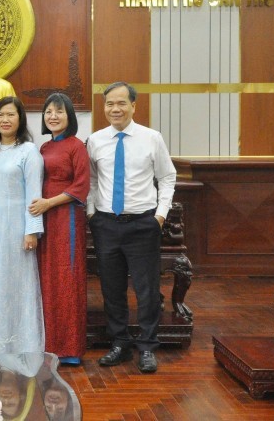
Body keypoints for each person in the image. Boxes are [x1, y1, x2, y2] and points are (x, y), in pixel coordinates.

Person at [86, 82, 176, 373]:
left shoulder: (152, 138)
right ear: (104, 107)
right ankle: (120, 343)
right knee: (111, 289)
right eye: (110, 104)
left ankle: (148, 346)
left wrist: (160, 216)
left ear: (134, 106)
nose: (115, 109)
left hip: (142, 224)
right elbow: (90, 181)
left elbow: (167, 177)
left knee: (146, 289)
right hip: (106, 225)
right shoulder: (95, 140)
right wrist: (92, 214)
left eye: (122, 103)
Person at [0, 96, 44, 353]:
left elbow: (34, 194)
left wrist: (32, 230)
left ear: (20, 119)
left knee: (19, 284)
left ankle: (23, 344)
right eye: (1, 115)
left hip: (18, 227)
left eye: (11, 115)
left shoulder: (29, 151)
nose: (5, 119)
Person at [27, 93, 90, 366]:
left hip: (66, 218)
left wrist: (49, 203)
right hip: (44, 219)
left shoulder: (77, 146)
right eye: (49, 111)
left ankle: (70, 348)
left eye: (59, 112)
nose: (53, 116)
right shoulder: (42, 148)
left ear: (69, 117)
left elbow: (81, 187)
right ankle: (49, 343)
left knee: (68, 277)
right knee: (48, 278)